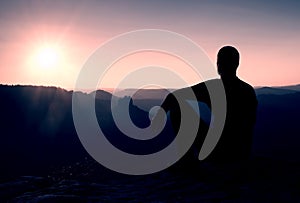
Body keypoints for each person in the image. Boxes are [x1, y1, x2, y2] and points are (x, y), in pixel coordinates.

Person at [158, 46, 257, 166]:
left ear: (218, 65)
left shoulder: (212, 89)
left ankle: (187, 162)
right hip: (239, 152)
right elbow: (249, 126)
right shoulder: (247, 90)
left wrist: (160, 115)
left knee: (178, 110)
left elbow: (173, 97)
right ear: (237, 64)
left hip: (216, 150)